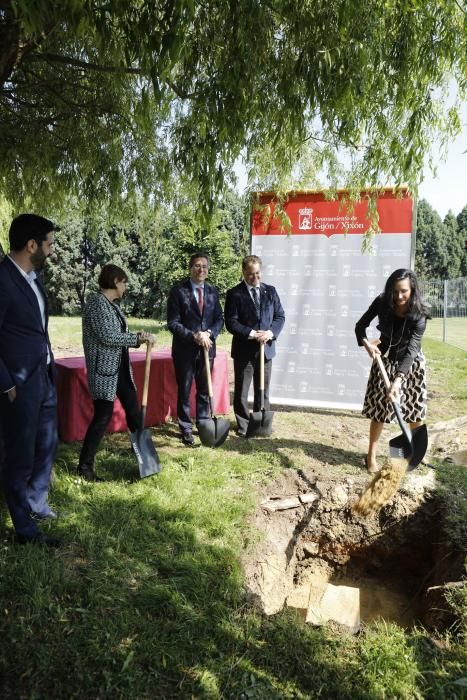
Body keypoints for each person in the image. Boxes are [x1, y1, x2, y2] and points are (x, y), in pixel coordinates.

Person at [0, 213, 61, 546]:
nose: (51, 250)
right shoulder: (3, 279)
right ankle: (24, 529)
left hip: (44, 376)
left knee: (48, 443)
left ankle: (37, 502)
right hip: (18, 384)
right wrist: (7, 384)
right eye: (49, 243)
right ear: (31, 244)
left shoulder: (34, 278)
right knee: (20, 456)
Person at [78, 264, 154, 481]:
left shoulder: (111, 305)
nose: (126, 287)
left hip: (120, 369)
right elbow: (107, 336)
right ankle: (84, 467)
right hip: (104, 371)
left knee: (133, 412)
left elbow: (117, 333)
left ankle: (146, 459)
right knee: (102, 417)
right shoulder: (96, 303)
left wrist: (135, 335)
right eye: (124, 282)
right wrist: (136, 339)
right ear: (115, 281)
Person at [355, 268, 430, 473]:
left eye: (404, 291)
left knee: (415, 410)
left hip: (411, 363)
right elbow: (360, 326)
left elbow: (412, 349)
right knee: (380, 411)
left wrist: (397, 381)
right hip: (385, 360)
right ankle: (371, 456)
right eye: (395, 291)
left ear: (412, 290)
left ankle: (415, 453)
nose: (399, 297)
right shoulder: (382, 302)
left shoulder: (419, 314)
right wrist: (367, 344)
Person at [167, 253, 224, 446]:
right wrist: (194, 335)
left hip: (207, 348)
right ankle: (185, 428)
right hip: (185, 350)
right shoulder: (178, 291)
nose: (201, 269)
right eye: (197, 266)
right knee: (184, 390)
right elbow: (173, 323)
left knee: (204, 389)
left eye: (205, 266)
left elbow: (219, 319)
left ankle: (203, 424)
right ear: (190, 268)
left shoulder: (212, 292)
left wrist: (208, 334)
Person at [224, 255, 285, 436]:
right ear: (244, 272)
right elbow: (231, 322)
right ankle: (243, 425)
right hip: (244, 351)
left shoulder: (271, 292)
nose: (255, 277)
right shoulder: (235, 293)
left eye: (257, 273)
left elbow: (280, 316)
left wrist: (270, 333)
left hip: (266, 350)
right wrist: (251, 334)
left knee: (263, 389)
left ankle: (260, 423)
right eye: (251, 274)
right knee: (242, 391)